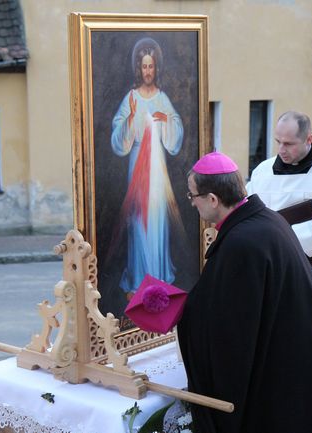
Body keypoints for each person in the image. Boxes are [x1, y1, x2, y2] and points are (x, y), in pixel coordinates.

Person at [177, 152, 312, 433]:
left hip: (290, 369)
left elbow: (231, 331)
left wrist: (184, 312)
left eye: (192, 196)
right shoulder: (265, 221)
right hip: (305, 352)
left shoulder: (242, 242)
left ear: (213, 199)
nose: (191, 202)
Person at [247, 111, 312, 323]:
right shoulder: (262, 172)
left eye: (289, 144)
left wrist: (272, 239)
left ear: (309, 139)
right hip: (275, 276)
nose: (281, 150)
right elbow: (249, 220)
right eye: (278, 142)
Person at [110, 37, 184, 297]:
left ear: (156, 68)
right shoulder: (131, 98)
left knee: (158, 219)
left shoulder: (162, 98)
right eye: (144, 66)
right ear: (137, 69)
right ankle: (140, 278)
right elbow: (118, 139)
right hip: (138, 166)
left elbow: (175, 131)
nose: (148, 71)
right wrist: (131, 117)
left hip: (158, 168)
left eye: (151, 66)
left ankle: (159, 276)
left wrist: (166, 121)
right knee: (139, 219)